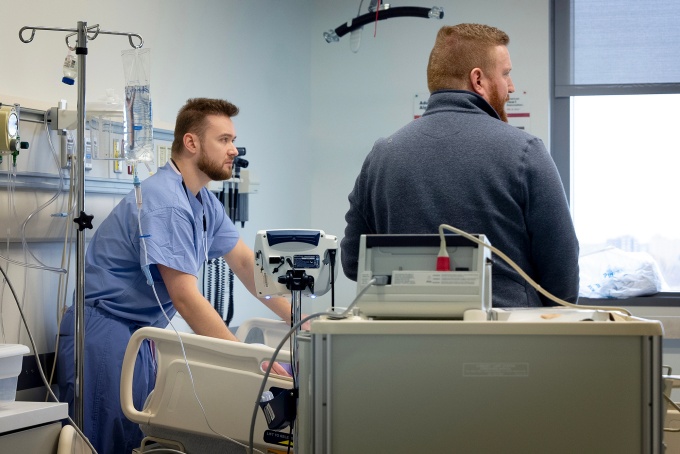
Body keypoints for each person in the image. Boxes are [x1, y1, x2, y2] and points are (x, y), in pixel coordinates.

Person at [56, 98, 294, 454]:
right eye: (224, 140)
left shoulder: (202, 201)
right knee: (104, 443)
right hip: (104, 333)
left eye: (233, 140)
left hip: (137, 335)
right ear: (192, 143)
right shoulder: (166, 201)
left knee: (132, 439)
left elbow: (247, 265)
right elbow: (186, 298)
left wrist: (302, 322)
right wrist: (247, 360)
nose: (234, 150)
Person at [340, 23, 580, 307]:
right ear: (478, 79)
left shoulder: (382, 155)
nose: (511, 86)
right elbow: (561, 276)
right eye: (506, 74)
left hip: (406, 342)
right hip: (508, 342)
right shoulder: (526, 152)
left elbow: (354, 261)